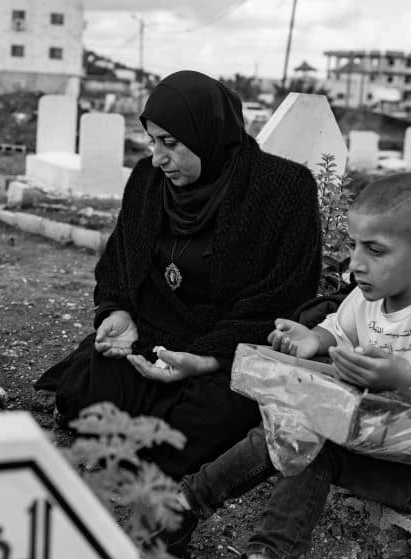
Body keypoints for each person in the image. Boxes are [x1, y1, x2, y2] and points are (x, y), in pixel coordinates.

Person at [171, 173, 411, 559]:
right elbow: (338, 326)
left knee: (314, 445)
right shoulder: (370, 297)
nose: (356, 263)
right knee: (288, 423)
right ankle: (183, 507)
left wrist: (404, 380)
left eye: (375, 250)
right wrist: (312, 339)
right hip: (384, 440)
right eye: (353, 245)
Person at [34, 70, 322, 479]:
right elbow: (118, 262)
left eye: (171, 143)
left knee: (200, 422)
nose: (157, 157)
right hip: (155, 338)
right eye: (153, 141)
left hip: (229, 352)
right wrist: (118, 313)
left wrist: (205, 359)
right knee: (88, 387)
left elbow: (284, 297)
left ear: (210, 133)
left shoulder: (285, 191)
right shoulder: (148, 181)